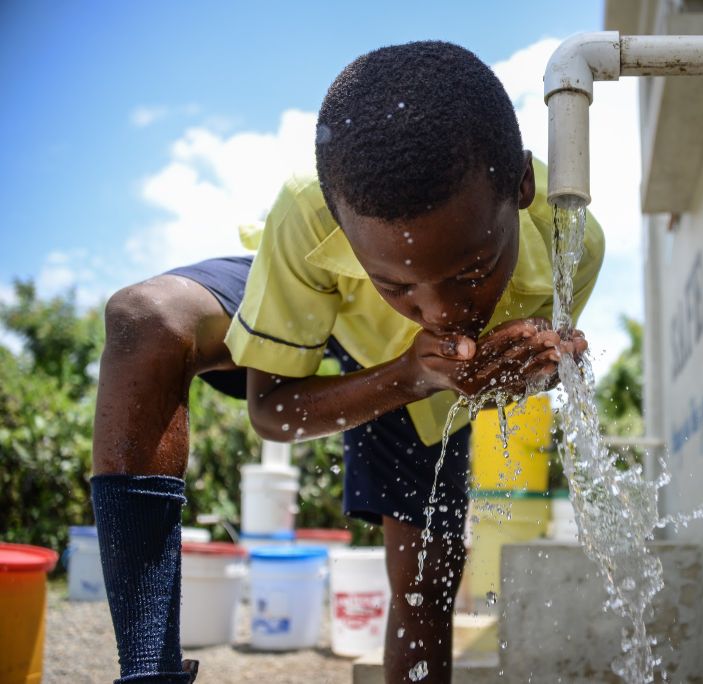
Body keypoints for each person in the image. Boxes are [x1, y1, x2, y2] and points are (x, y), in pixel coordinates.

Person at [90, 40, 603, 683]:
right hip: (325, 310)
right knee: (148, 319)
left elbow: (527, 377)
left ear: (522, 187)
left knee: (426, 586)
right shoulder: (309, 211)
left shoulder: (570, 243)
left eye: (473, 272)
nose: (441, 310)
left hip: (434, 384)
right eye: (400, 287)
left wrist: (535, 370)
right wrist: (408, 371)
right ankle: (147, 670)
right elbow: (272, 412)